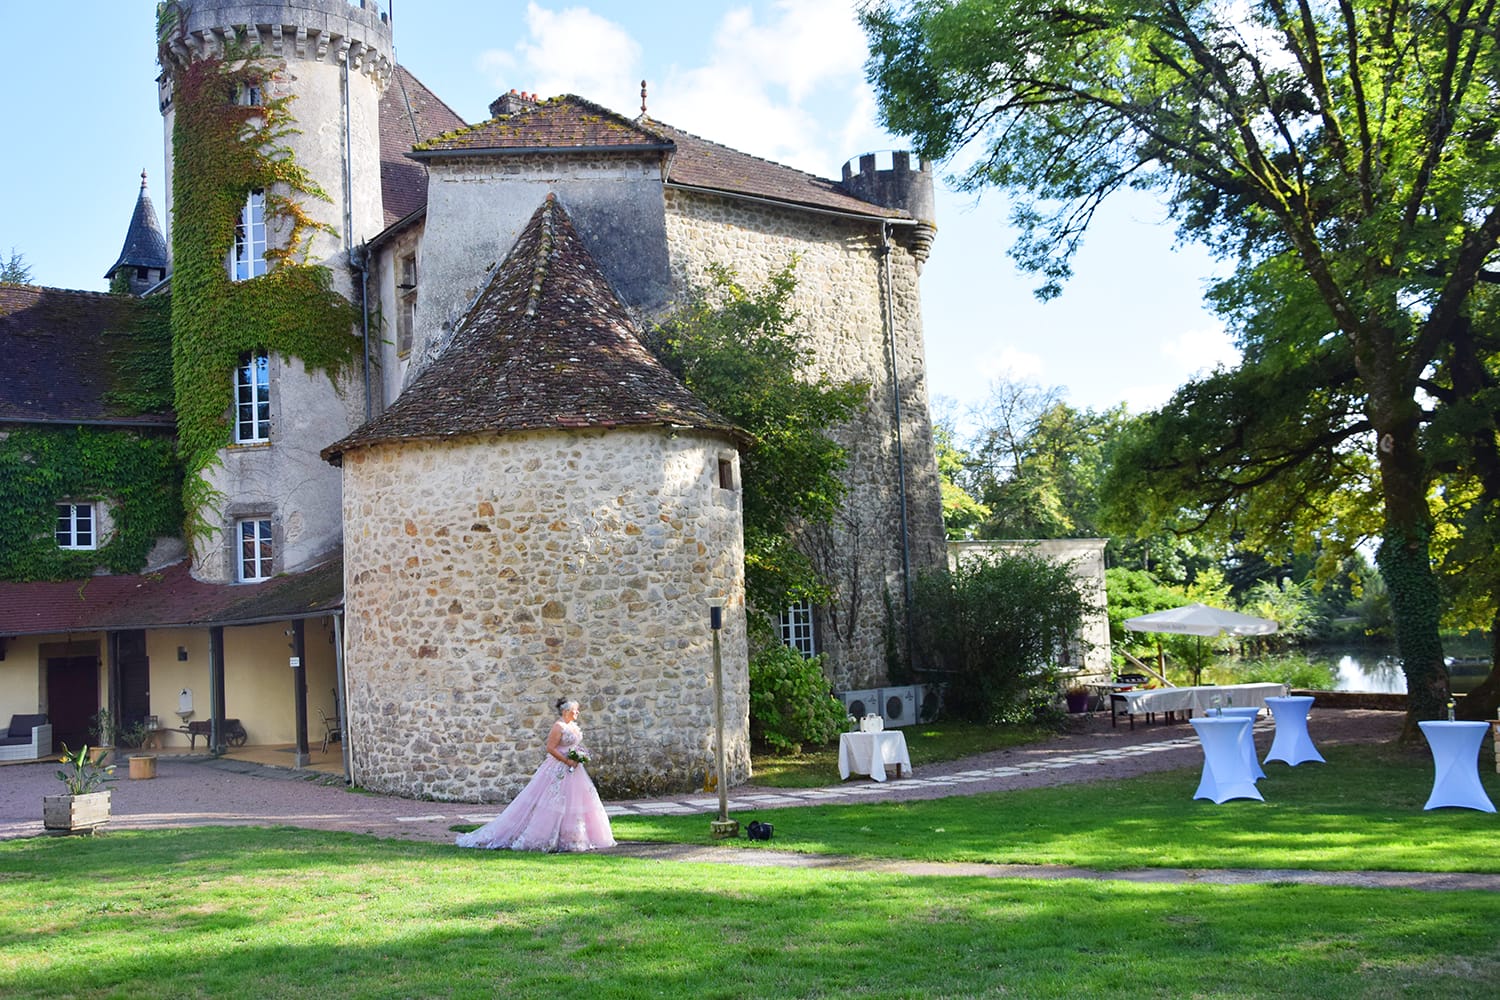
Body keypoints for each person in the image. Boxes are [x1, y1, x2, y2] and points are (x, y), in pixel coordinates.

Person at [456, 697, 616, 852]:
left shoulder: (572, 726)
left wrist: (579, 756)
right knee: (553, 800)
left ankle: (575, 836)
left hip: (575, 770)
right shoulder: (558, 726)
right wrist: (568, 761)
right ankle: (544, 835)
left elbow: (574, 745)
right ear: (566, 711)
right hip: (559, 768)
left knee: (577, 801)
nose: (578, 713)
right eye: (575, 710)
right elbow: (551, 748)